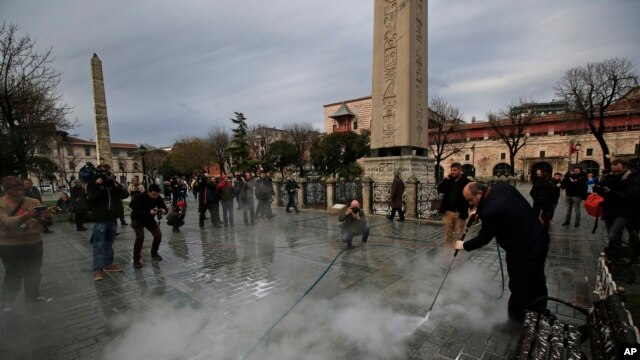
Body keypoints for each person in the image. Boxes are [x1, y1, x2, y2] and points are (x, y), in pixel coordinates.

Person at [454, 182, 549, 323]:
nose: (470, 204)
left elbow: (484, 238)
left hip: (523, 250)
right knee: (537, 280)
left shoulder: (492, 211)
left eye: (470, 199)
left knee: (519, 286)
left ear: (479, 193)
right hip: (539, 238)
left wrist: (463, 245)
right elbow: (498, 207)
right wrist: (480, 210)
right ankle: (539, 311)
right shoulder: (501, 187)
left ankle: (515, 322)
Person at [0, 176, 54, 310]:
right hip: (10, 244)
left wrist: (47, 216)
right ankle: (7, 300)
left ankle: (32, 296)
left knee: (34, 271)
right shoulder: (1, 204)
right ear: (6, 191)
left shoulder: (33, 201)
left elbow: (45, 218)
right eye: (15, 190)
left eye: (21, 189)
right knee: (14, 272)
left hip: (33, 241)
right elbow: (5, 221)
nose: (19, 192)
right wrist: (24, 217)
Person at [86, 164, 129, 281]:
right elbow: (91, 200)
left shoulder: (112, 184)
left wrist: (116, 185)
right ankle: (97, 269)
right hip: (100, 218)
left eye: (108, 172)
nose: (107, 174)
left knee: (109, 243)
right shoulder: (93, 185)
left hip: (112, 218)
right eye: (104, 172)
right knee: (98, 244)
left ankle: (108, 264)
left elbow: (125, 194)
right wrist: (100, 187)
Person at [594, 160, 640, 263]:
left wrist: (611, 192)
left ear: (625, 168)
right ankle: (616, 255)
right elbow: (603, 190)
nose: (616, 173)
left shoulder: (633, 179)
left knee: (612, 235)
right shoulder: (611, 177)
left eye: (618, 171)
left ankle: (627, 253)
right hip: (610, 210)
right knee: (615, 237)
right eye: (613, 171)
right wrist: (598, 188)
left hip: (624, 212)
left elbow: (630, 198)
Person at [129, 183, 168, 268]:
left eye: (157, 195)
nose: (156, 196)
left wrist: (164, 210)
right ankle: (136, 259)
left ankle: (154, 252)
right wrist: (148, 212)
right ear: (148, 192)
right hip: (137, 219)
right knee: (140, 237)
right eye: (154, 194)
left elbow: (164, 207)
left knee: (158, 235)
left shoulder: (157, 197)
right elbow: (133, 207)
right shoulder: (139, 197)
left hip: (149, 219)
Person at [437, 163, 471, 248]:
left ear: (460, 171)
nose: (452, 172)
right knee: (448, 235)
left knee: (459, 236)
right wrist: (447, 179)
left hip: (460, 213)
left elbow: (471, 197)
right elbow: (439, 189)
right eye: (451, 170)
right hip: (448, 213)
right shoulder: (449, 181)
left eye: (455, 170)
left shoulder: (466, 182)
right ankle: (447, 254)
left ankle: (457, 254)